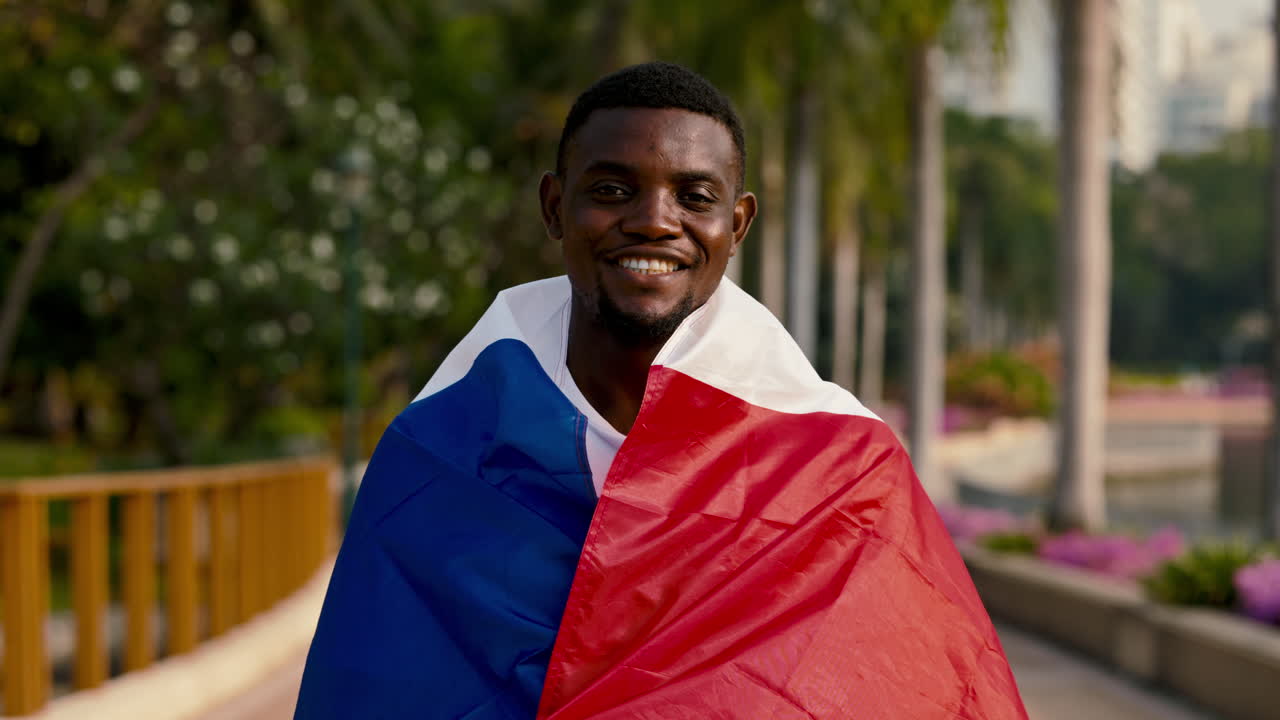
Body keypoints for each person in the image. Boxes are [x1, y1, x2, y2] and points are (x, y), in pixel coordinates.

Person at [295, 62, 1027, 719]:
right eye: (612, 190)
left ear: (735, 224)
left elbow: (923, 688)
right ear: (554, 207)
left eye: (693, 195)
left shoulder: (840, 464)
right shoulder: (437, 449)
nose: (652, 221)